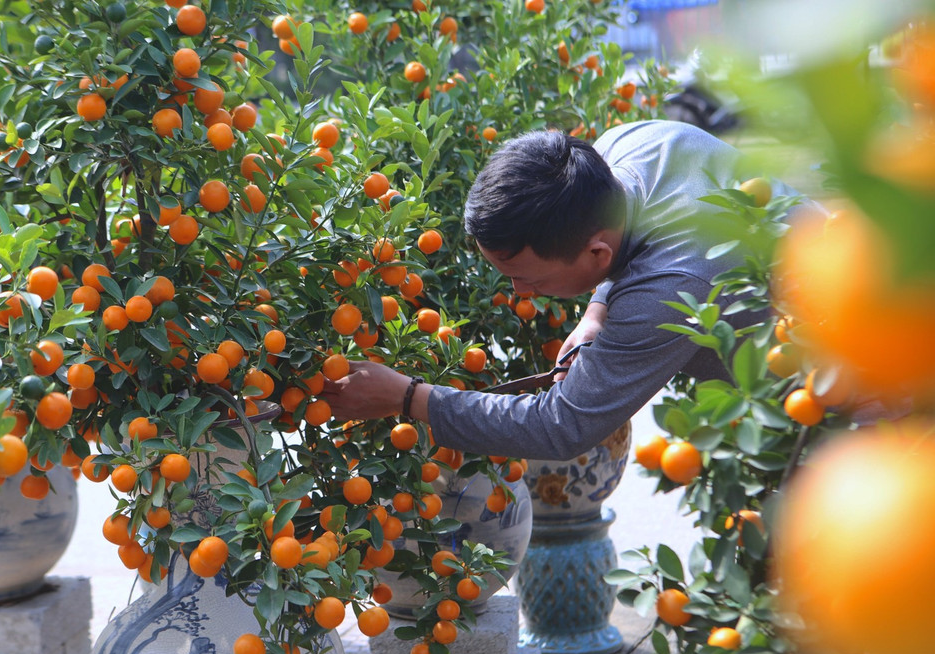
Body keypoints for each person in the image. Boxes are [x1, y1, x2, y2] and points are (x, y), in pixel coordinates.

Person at [322, 119, 813, 460]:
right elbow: (633, 246)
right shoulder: (629, 146)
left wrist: (408, 397)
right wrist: (596, 312)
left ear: (596, 254)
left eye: (530, 279)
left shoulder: (668, 291)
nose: (518, 292)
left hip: (858, 376)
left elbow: (561, 426)